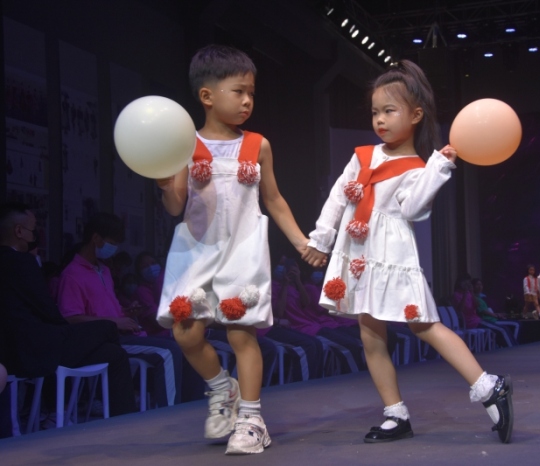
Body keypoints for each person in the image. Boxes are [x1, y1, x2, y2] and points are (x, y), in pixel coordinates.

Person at [303, 60, 513, 444]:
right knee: (370, 332)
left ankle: (488, 386)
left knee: (423, 324)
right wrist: (321, 239)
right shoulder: (362, 155)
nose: (380, 120)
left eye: (389, 111)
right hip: (359, 253)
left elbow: (414, 209)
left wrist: (439, 168)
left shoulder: (419, 167)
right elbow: (337, 197)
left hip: (392, 255)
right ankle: (395, 414)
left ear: (415, 115)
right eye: (375, 112)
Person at [155, 44, 318, 455]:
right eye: (239, 91)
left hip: (243, 248)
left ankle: (250, 419)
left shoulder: (258, 145)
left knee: (241, 332)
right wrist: (164, 184)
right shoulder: (184, 144)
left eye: (251, 93)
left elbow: (274, 199)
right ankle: (220, 388)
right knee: (185, 332)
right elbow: (175, 206)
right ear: (206, 96)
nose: (247, 101)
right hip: (196, 249)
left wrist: (301, 241)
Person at [0, 203, 136, 420]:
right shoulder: (22, 262)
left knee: (114, 353)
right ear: (19, 231)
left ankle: (118, 414)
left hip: (14, 347)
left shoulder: (104, 270)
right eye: (33, 230)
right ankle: (122, 417)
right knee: (107, 329)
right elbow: (48, 311)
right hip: (32, 348)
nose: (36, 236)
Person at [57, 212, 188, 408]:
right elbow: (70, 318)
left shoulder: (104, 270)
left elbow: (107, 310)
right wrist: (115, 322)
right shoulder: (72, 274)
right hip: (106, 341)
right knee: (168, 352)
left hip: (124, 334)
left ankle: (186, 406)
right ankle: (170, 414)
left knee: (182, 345)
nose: (114, 248)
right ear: (96, 238)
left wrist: (126, 312)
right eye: (112, 243)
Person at [472, 278, 519, 347]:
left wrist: (497, 314)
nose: (479, 287)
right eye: (477, 285)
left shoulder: (482, 297)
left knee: (513, 325)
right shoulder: (474, 298)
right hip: (487, 320)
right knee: (514, 325)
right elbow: (482, 311)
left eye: (481, 285)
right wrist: (496, 315)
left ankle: (513, 343)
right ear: (473, 286)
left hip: (492, 318)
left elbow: (487, 310)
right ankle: (513, 346)